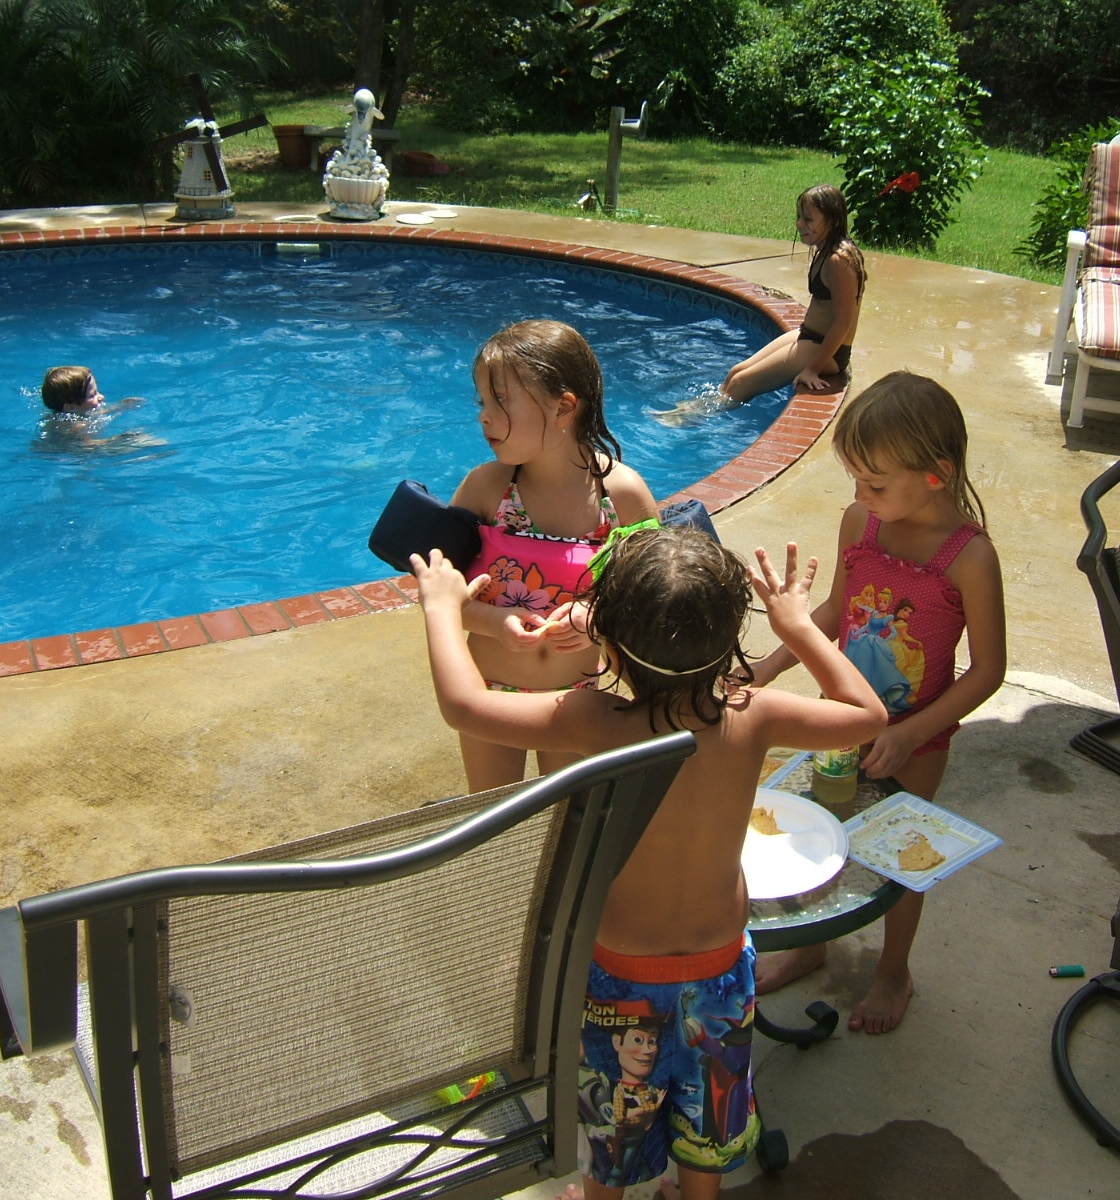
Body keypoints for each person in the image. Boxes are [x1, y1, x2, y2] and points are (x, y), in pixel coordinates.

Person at [410, 527, 886, 1200]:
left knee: (614, 1138)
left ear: (609, 646)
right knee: (706, 1131)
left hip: (618, 982)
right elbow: (866, 714)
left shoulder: (593, 718)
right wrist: (797, 627)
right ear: (730, 637)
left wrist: (442, 608)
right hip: (719, 975)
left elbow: (463, 705)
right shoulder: (751, 713)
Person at [749, 371, 1007, 1034]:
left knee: (899, 855)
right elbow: (836, 611)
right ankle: (811, 945)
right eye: (855, 479)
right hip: (840, 718)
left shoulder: (969, 558)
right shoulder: (860, 523)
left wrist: (913, 731)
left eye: (875, 483)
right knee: (820, 828)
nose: (860, 495)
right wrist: (770, 666)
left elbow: (989, 671)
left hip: (917, 736)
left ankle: (895, 971)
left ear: (935, 474)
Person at [448, 319, 659, 792]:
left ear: (564, 407)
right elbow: (439, 594)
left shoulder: (621, 496)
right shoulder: (486, 488)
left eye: (501, 400)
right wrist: (492, 621)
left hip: (576, 699)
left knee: (569, 818)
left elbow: (652, 596)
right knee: (490, 811)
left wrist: (596, 615)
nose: (484, 416)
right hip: (489, 693)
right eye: (482, 402)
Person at [721, 184, 865, 405]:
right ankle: (693, 409)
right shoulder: (825, 250)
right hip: (809, 336)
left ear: (832, 221)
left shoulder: (840, 261)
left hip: (828, 351)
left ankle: (692, 419)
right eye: (799, 217)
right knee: (736, 372)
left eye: (808, 219)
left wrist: (812, 369)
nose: (799, 224)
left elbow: (842, 324)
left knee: (741, 383)